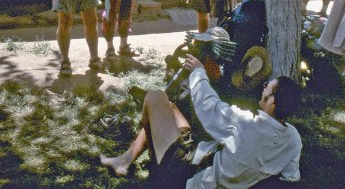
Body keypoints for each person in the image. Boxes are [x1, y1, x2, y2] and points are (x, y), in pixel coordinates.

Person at [100, 54, 302, 189]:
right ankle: (125, 159)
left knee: (155, 97)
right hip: (202, 159)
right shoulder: (293, 139)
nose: (264, 86)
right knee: (170, 107)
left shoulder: (245, 124)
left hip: (182, 177)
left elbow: (209, 106)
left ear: (272, 101)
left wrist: (199, 71)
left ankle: (130, 162)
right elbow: (290, 177)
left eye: (268, 87)